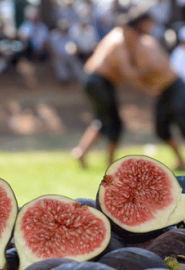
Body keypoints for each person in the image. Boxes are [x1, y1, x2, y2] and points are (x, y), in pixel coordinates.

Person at [71, 10, 158, 168]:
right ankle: (110, 164)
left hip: (96, 81)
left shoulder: (120, 36)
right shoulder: (120, 40)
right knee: (114, 124)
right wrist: (148, 80)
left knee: (103, 121)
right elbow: (128, 73)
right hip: (98, 81)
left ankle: (81, 153)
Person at [127, 9, 185, 171]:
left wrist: (138, 74)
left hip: (175, 86)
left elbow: (156, 66)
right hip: (164, 90)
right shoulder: (138, 42)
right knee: (161, 128)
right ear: (143, 23)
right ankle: (181, 160)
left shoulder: (146, 42)